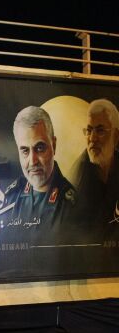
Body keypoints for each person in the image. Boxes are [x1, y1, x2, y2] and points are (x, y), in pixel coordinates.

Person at [7, 106, 78, 243]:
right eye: (25, 151)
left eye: (39, 148)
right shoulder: (10, 197)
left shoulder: (72, 206)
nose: (32, 161)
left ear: (54, 145)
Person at [69, 99, 119, 239]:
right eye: (89, 130)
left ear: (115, 137)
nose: (92, 138)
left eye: (100, 131)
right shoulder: (77, 180)